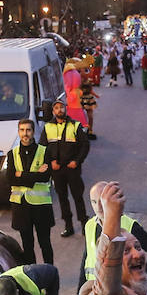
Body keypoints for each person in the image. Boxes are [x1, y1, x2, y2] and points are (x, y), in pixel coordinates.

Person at [8, 119, 56, 265]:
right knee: (27, 245)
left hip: (41, 206)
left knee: (45, 243)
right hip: (21, 206)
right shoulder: (12, 153)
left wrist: (21, 174)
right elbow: (10, 178)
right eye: (22, 130)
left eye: (28, 130)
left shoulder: (44, 151)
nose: (25, 134)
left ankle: (50, 273)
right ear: (18, 132)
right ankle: (33, 276)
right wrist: (34, 175)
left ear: (33, 132)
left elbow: (46, 176)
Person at [43, 99, 90, 237]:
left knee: (78, 197)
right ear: (53, 111)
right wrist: (50, 161)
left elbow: (85, 145)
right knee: (62, 198)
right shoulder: (47, 127)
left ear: (65, 109)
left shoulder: (75, 126)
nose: (59, 110)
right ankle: (68, 226)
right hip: (57, 170)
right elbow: (42, 148)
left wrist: (77, 161)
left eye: (61, 107)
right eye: (56, 108)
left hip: (72, 168)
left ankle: (84, 224)